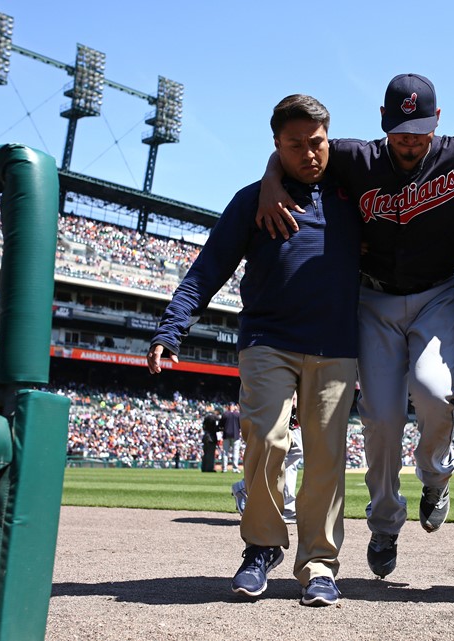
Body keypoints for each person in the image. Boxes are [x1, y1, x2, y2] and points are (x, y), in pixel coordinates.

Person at [255, 73, 454, 580]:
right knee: (380, 415)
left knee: (432, 390)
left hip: (439, 293)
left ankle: (436, 479)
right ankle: (384, 521)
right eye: (401, 129)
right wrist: (271, 179)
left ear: (438, 122)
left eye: (420, 128)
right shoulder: (357, 158)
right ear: (383, 123)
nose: (410, 139)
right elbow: (298, 147)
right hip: (374, 295)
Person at [147, 93, 360, 607]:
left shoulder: (356, 192)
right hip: (268, 340)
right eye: (295, 146)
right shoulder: (252, 200)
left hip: (335, 346)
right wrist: (169, 331)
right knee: (265, 439)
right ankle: (262, 547)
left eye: (317, 143)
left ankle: (320, 565)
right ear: (275, 146)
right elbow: (207, 269)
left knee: (327, 460)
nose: (310, 154)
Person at [232, 393, 304, 524]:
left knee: (292, 452)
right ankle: (247, 485)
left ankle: (287, 507)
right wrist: (293, 391)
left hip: (298, 392)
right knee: (291, 448)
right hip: (282, 392)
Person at [218, 403, 243, 473]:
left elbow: (220, 425)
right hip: (235, 435)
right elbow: (241, 425)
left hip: (226, 435)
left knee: (225, 452)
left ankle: (224, 468)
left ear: (228, 407)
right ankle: (235, 468)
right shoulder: (237, 414)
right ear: (233, 407)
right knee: (235, 452)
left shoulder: (225, 414)